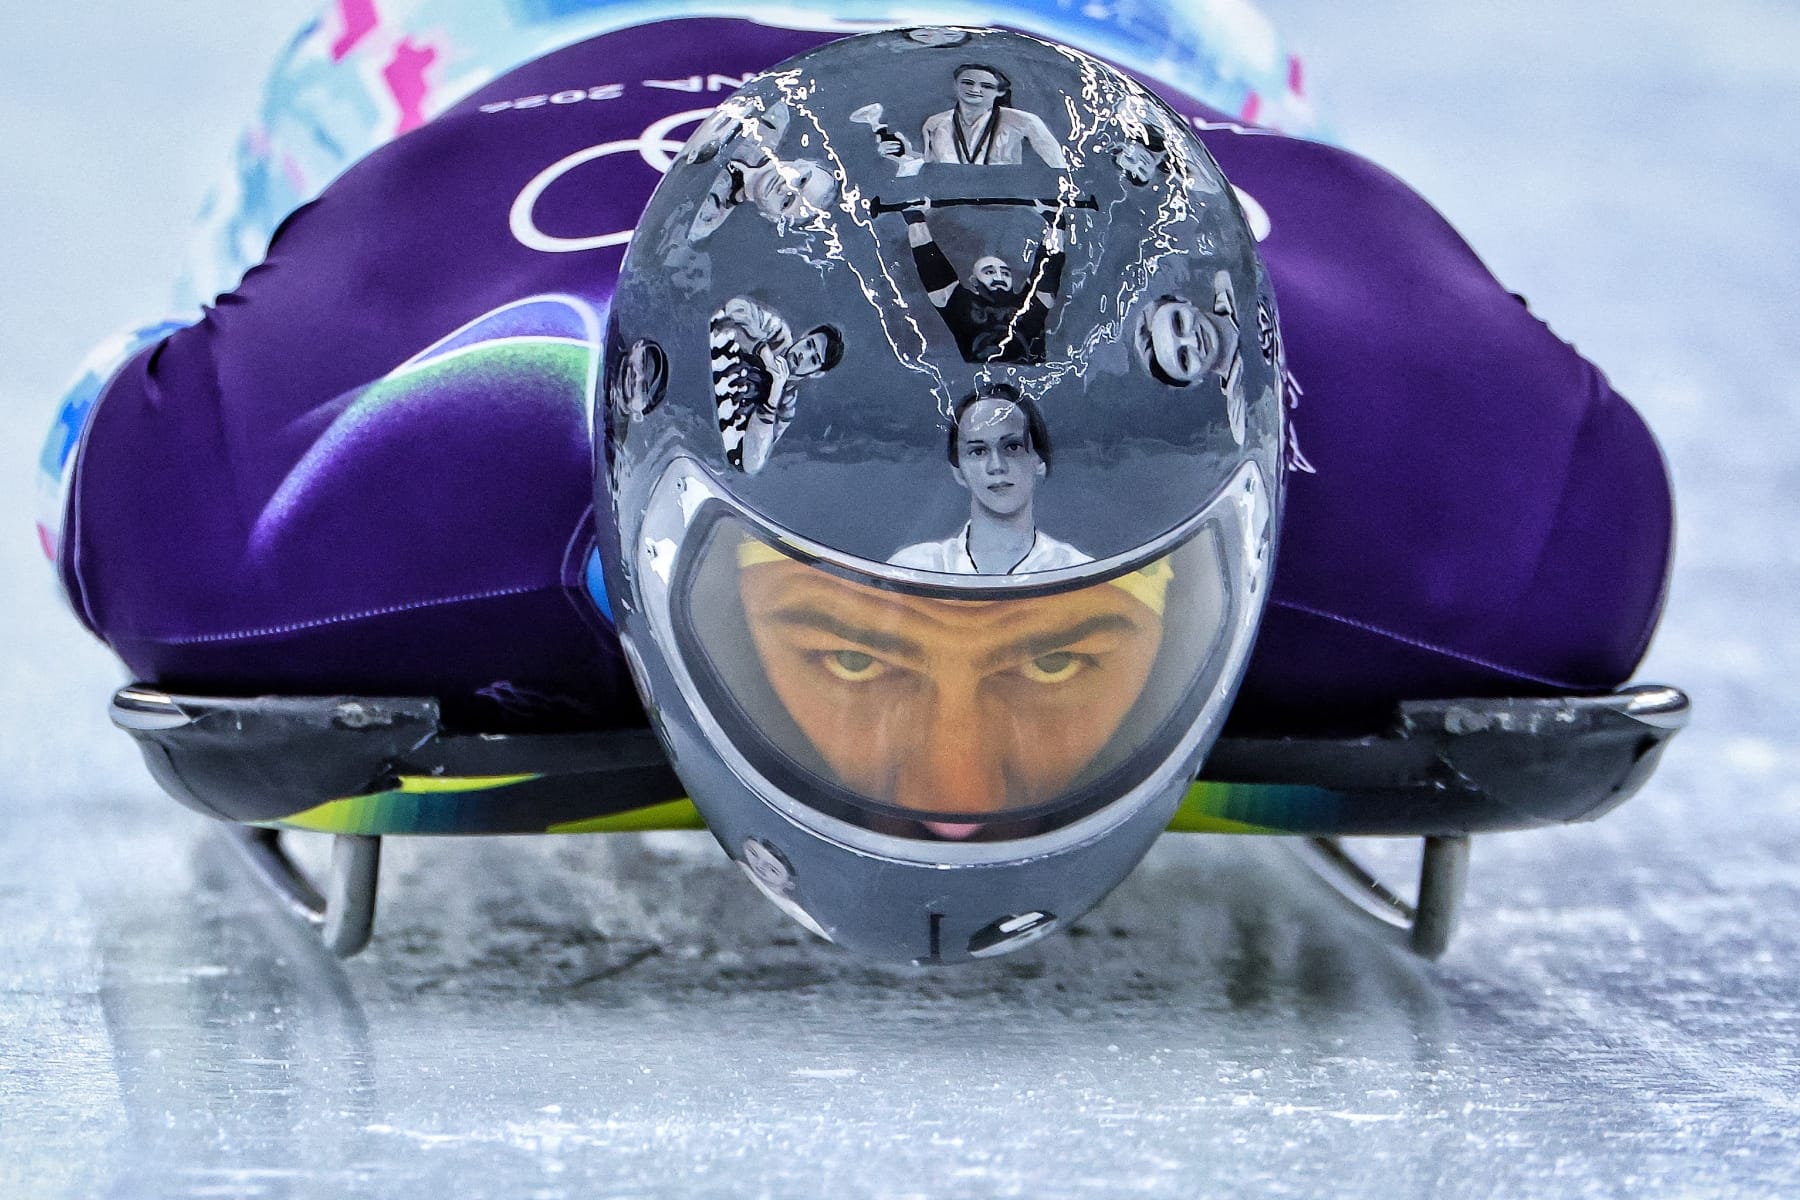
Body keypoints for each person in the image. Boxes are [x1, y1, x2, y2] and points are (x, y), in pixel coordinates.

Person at [41, 8, 1672, 962]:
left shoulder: (258, 532)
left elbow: (86, 424)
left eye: (1060, 648)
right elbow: (101, 436)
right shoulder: (323, 487)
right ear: (645, 524)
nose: (953, 793)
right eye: (850, 646)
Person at [889, 384, 1089, 573]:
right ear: (958, 470)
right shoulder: (913, 570)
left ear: (1039, 461)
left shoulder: (1078, 572)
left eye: (1012, 447)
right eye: (978, 451)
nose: (996, 466)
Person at [900, 201, 1069, 363]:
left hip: (1028, 373)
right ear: (974, 280)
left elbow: (1049, 267)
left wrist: (1056, 222)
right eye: (989, 272)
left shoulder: (1029, 303)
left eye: (1005, 273)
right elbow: (930, 263)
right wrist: (915, 219)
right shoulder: (960, 305)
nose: (999, 277)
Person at [709, 296, 844, 474]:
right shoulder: (777, 332)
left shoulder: (785, 407)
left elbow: (751, 463)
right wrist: (762, 351)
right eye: (808, 345)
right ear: (804, 336)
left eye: (813, 359)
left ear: (817, 373)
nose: (803, 355)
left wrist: (773, 395)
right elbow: (734, 307)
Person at [920, 62, 1067, 167]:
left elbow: (1057, 166)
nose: (975, 90)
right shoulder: (935, 123)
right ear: (955, 85)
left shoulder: (1025, 121)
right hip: (950, 202)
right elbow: (930, 167)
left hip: (1007, 203)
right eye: (967, 83)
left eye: (986, 86)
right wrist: (904, 156)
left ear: (1000, 91)